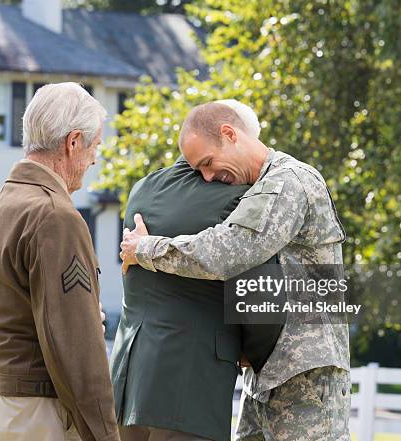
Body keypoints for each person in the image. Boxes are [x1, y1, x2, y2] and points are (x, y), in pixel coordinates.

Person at [121, 102, 351, 441]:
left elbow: (230, 251)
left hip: (304, 376)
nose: (208, 177)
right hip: (265, 373)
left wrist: (146, 249)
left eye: (208, 163)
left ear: (230, 135)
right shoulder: (254, 188)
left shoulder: (289, 181)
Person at [111, 100, 282, 441]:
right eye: (204, 164)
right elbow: (261, 301)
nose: (209, 175)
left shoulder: (142, 189)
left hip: (127, 383)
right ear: (230, 135)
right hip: (189, 388)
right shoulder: (238, 200)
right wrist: (258, 353)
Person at [0, 83, 119, 441]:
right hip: (38, 410)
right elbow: (75, 346)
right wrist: (105, 434)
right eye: (95, 147)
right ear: (73, 142)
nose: (94, 159)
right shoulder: (56, 216)